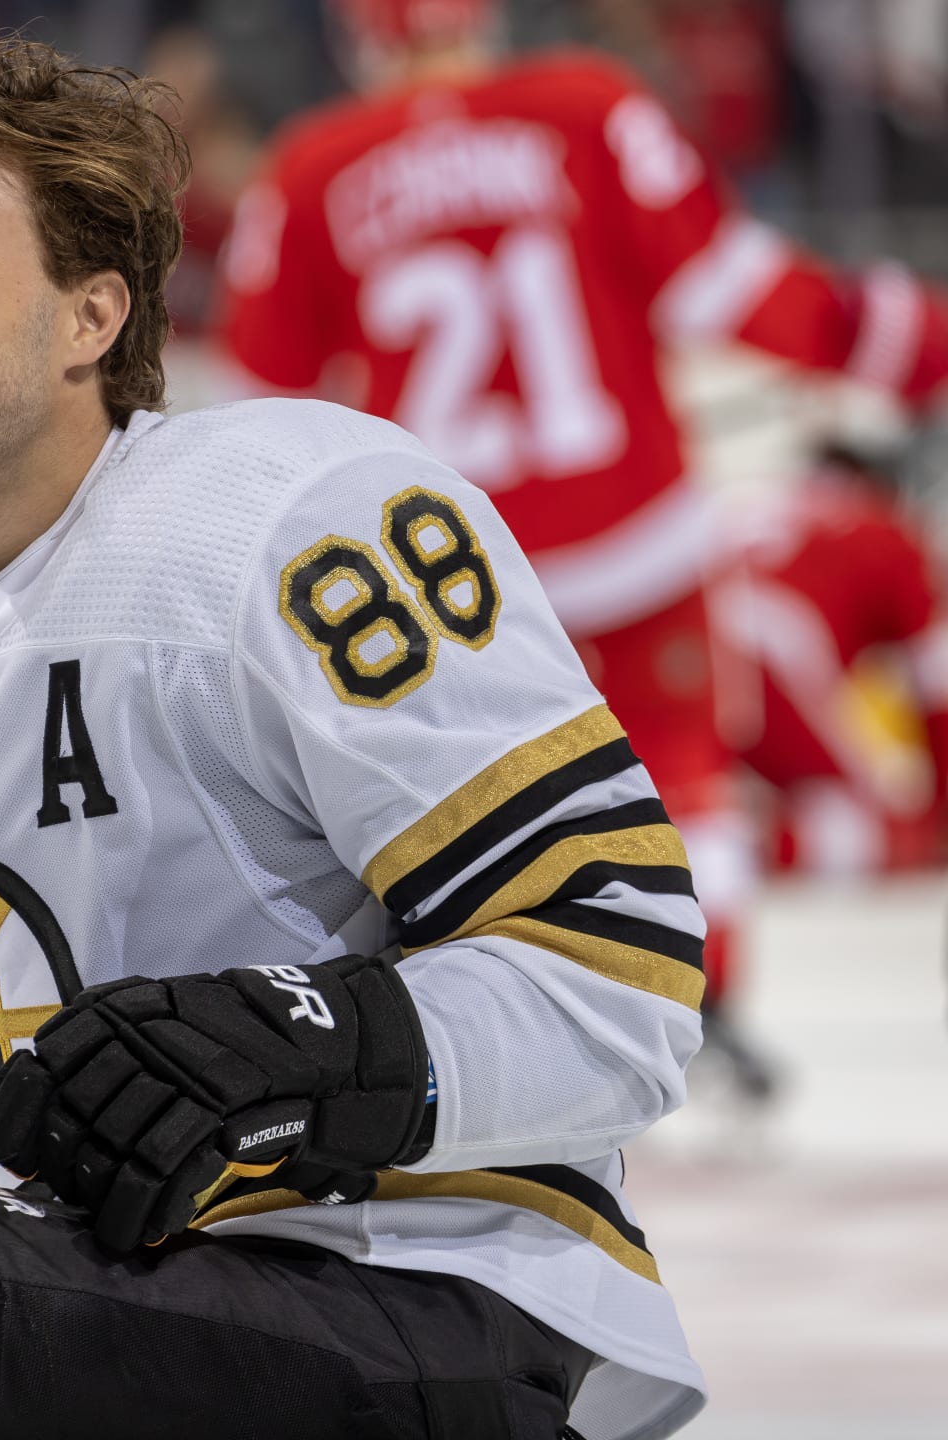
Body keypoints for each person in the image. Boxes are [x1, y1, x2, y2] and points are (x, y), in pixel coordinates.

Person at [0, 38, 708, 1440]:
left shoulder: (293, 525)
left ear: (91, 316)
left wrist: (311, 1048)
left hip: (410, 1297)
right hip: (83, 1325)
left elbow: (625, 979)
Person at [214, 0, 948, 1107]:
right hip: (635, 527)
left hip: (447, 563)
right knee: (683, 768)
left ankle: (475, 1025)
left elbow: (264, 402)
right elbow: (731, 292)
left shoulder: (313, 169)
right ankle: (707, 996)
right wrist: (910, 345)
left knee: (447, 798)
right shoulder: (589, 107)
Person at [713, 436, 948, 877]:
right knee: (872, 825)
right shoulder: (888, 531)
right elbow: (936, 684)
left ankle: (698, 824)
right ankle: (720, 851)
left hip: (686, 650)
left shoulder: (758, 503)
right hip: (776, 654)